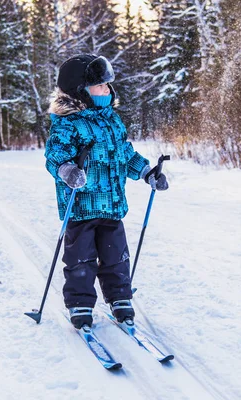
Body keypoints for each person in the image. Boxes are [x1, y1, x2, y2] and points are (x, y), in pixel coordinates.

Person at [44, 54, 169, 329]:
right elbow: (54, 156)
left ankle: (120, 298)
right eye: (101, 86)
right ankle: (80, 303)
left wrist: (147, 173)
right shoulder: (68, 123)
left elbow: (124, 153)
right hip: (81, 207)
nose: (108, 90)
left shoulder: (112, 121)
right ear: (81, 91)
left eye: (107, 85)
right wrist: (67, 171)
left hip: (111, 205)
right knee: (81, 260)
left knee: (116, 257)